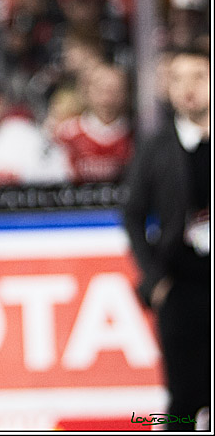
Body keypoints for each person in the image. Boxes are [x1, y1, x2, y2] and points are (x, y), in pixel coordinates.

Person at [122, 45, 210, 430]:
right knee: (184, 395)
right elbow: (132, 212)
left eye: (198, 77)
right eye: (178, 79)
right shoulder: (156, 147)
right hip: (182, 282)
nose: (188, 89)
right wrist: (155, 280)